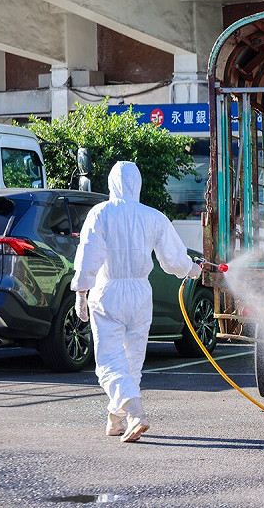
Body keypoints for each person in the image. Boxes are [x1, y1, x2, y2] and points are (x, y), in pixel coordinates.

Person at [72, 161, 202, 443]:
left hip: (109, 291)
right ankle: (116, 419)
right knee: (132, 361)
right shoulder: (153, 216)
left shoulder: (101, 213)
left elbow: (88, 256)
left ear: (111, 184)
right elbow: (174, 260)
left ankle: (135, 413)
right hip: (141, 294)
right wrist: (192, 270)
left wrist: (81, 292)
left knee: (108, 361)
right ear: (138, 184)